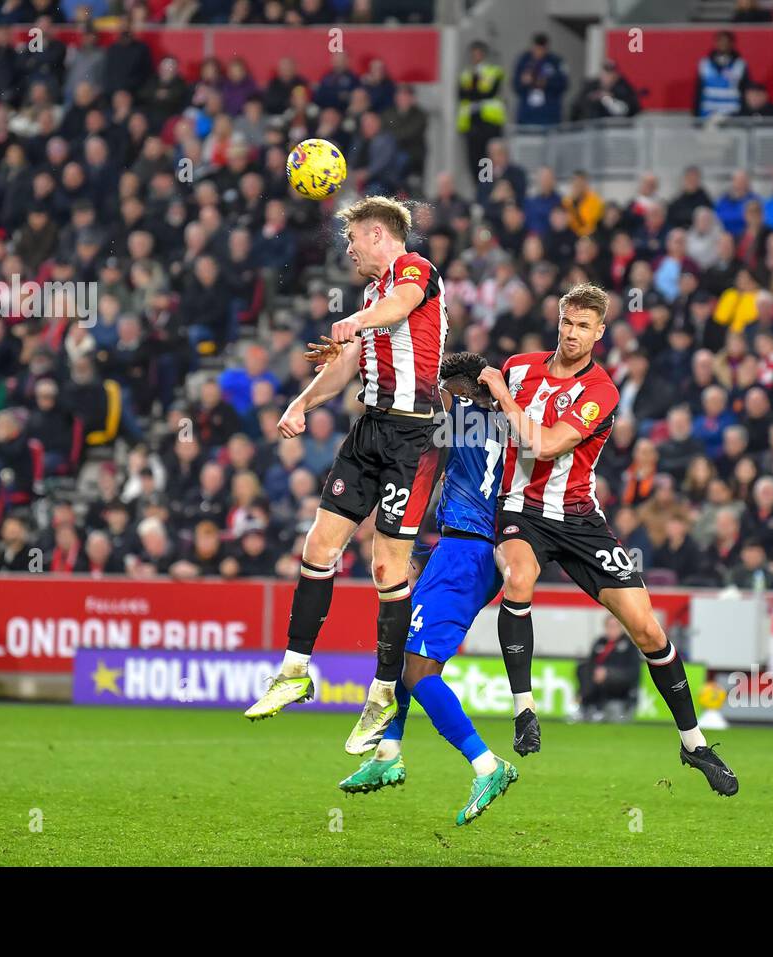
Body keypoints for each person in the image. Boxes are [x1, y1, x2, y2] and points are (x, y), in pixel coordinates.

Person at [476, 282, 738, 796]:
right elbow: (463, 396)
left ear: (599, 332)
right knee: (520, 576)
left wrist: (502, 394)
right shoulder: (520, 366)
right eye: (566, 322)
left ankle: (694, 742)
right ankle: (524, 710)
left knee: (647, 630)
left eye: (583, 327)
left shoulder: (602, 391)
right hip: (520, 508)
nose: (572, 334)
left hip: (579, 518)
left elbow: (547, 445)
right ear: (559, 319)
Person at [243, 197, 447, 755]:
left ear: (379, 233)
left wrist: (357, 320)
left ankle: (382, 691)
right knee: (319, 544)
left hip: (414, 437)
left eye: (354, 239)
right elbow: (347, 364)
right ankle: (294, 670)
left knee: (387, 564)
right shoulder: (369, 295)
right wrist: (302, 403)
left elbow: (402, 306)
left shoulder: (415, 272)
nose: (349, 248)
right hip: (370, 431)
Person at [340, 352, 517, 826]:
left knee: (418, 672)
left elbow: (415, 398)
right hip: (462, 551)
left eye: (447, 389)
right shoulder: (499, 424)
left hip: (465, 554)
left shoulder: (463, 414)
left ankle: (487, 764)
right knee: (397, 652)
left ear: (462, 390)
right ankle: (388, 754)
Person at [457, 41, 506, 179]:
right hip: (471, 124)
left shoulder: (493, 71)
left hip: (489, 123)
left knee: (488, 159)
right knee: (473, 160)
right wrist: (476, 92)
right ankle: (479, 189)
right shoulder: (466, 73)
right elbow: (461, 94)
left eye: (478, 54)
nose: (476, 57)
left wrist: (473, 92)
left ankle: (488, 186)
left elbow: (489, 93)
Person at [577, 616, 641, 721]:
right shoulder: (600, 642)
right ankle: (585, 704)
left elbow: (633, 674)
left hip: (619, 693)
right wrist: (596, 673)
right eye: (609, 626)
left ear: (621, 627)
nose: (611, 629)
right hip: (596, 690)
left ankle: (591, 707)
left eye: (615, 626)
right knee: (582, 669)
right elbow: (590, 664)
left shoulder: (630, 645)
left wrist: (609, 674)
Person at [512, 33, 568, 127]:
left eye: (542, 49)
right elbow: (515, 84)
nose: (539, 52)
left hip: (549, 116)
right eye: (536, 49)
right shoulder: (524, 60)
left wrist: (547, 83)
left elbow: (564, 84)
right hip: (526, 115)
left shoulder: (555, 61)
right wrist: (524, 81)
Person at [695, 30, 749, 119]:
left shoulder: (740, 64)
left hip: (733, 114)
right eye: (720, 41)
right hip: (707, 114)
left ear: (732, 43)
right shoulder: (704, 63)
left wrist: (744, 113)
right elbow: (698, 91)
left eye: (726, 41)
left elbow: (745, 90)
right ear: (715, 43)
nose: (723, 44)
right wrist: (696, 115)